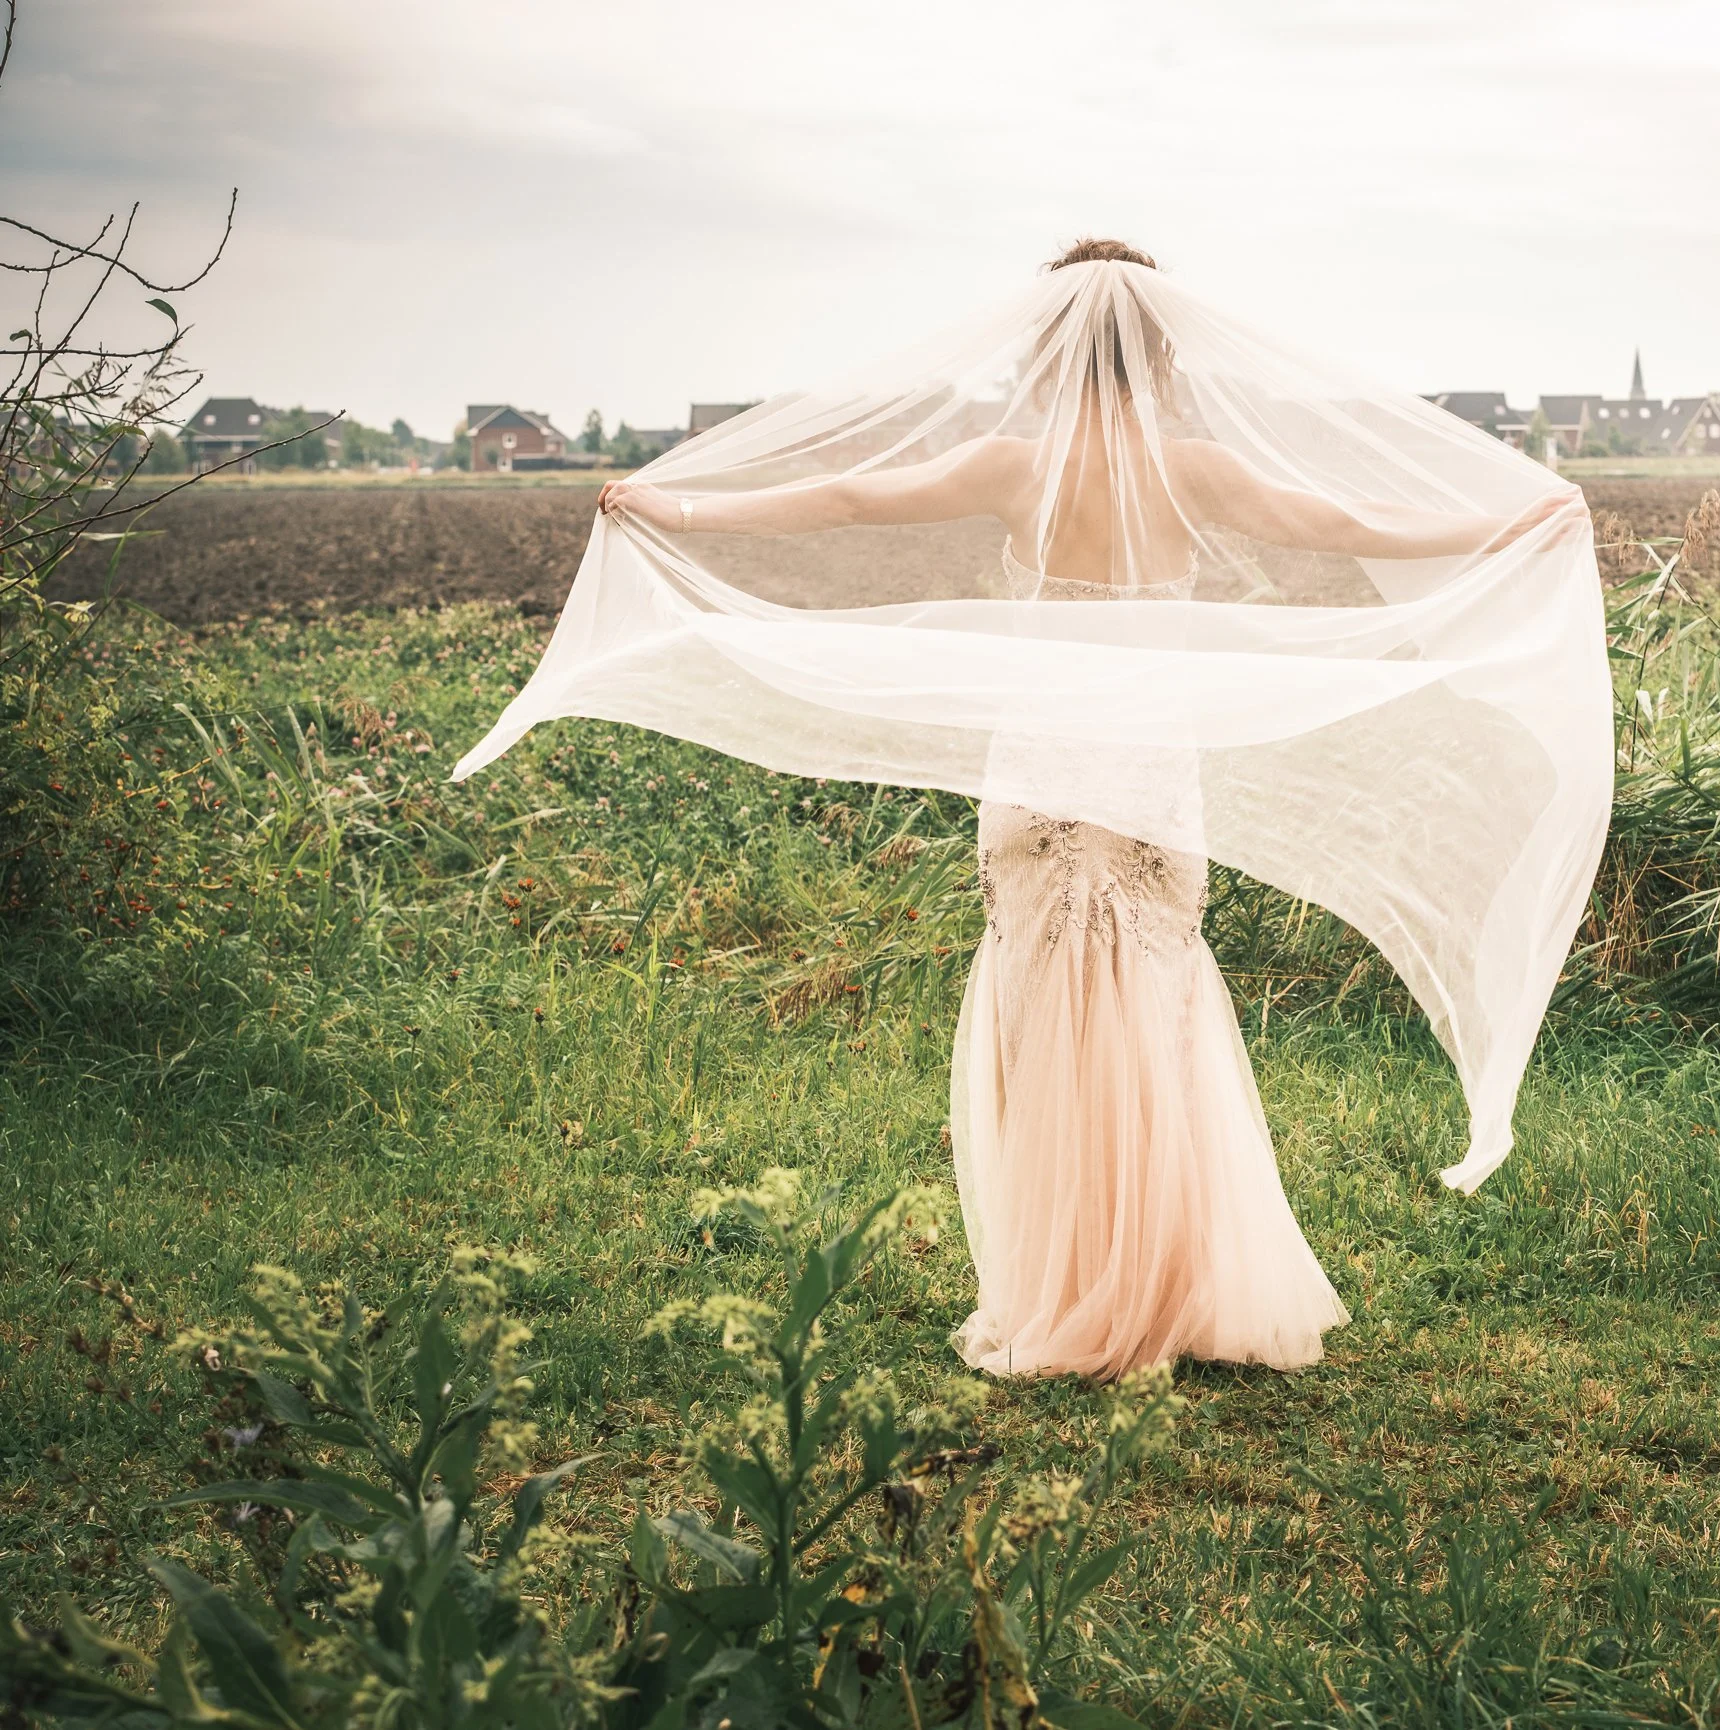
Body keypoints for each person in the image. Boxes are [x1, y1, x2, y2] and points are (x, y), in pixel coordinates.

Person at [460, 238, 1610, 1379]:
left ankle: (1066, 1285)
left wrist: (676, 504)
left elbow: (851, 498)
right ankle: (1160, 1283)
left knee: (1044, 1007)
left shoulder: (1019, 465)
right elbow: (1356, 526)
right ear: (1164, 351)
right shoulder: (1193, 465)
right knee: (1156, 1004)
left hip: (1046, 762)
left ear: (1048, 346)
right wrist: (1514, 526)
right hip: (1153, 764)